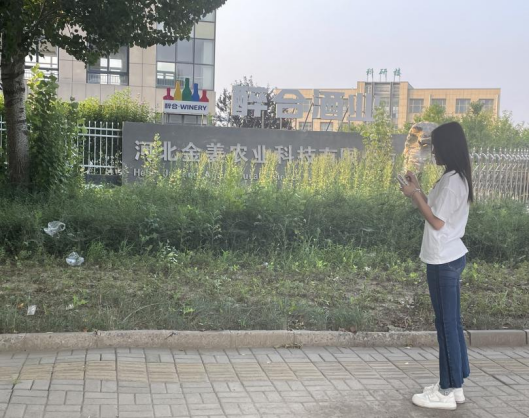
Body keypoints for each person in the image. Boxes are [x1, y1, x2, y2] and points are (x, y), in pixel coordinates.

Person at [399, 121, 473, 411]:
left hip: (443, 259)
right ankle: (456, 385)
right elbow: (435, 209)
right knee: (451, 323)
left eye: (436, 147)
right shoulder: (453, 177)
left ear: (448, 148)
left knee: (446, 325)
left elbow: (436, 221)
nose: (433, 153)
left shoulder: (453, 181)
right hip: (447, 256)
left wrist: (413, 195)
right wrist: (418, 189)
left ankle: (445, 391)